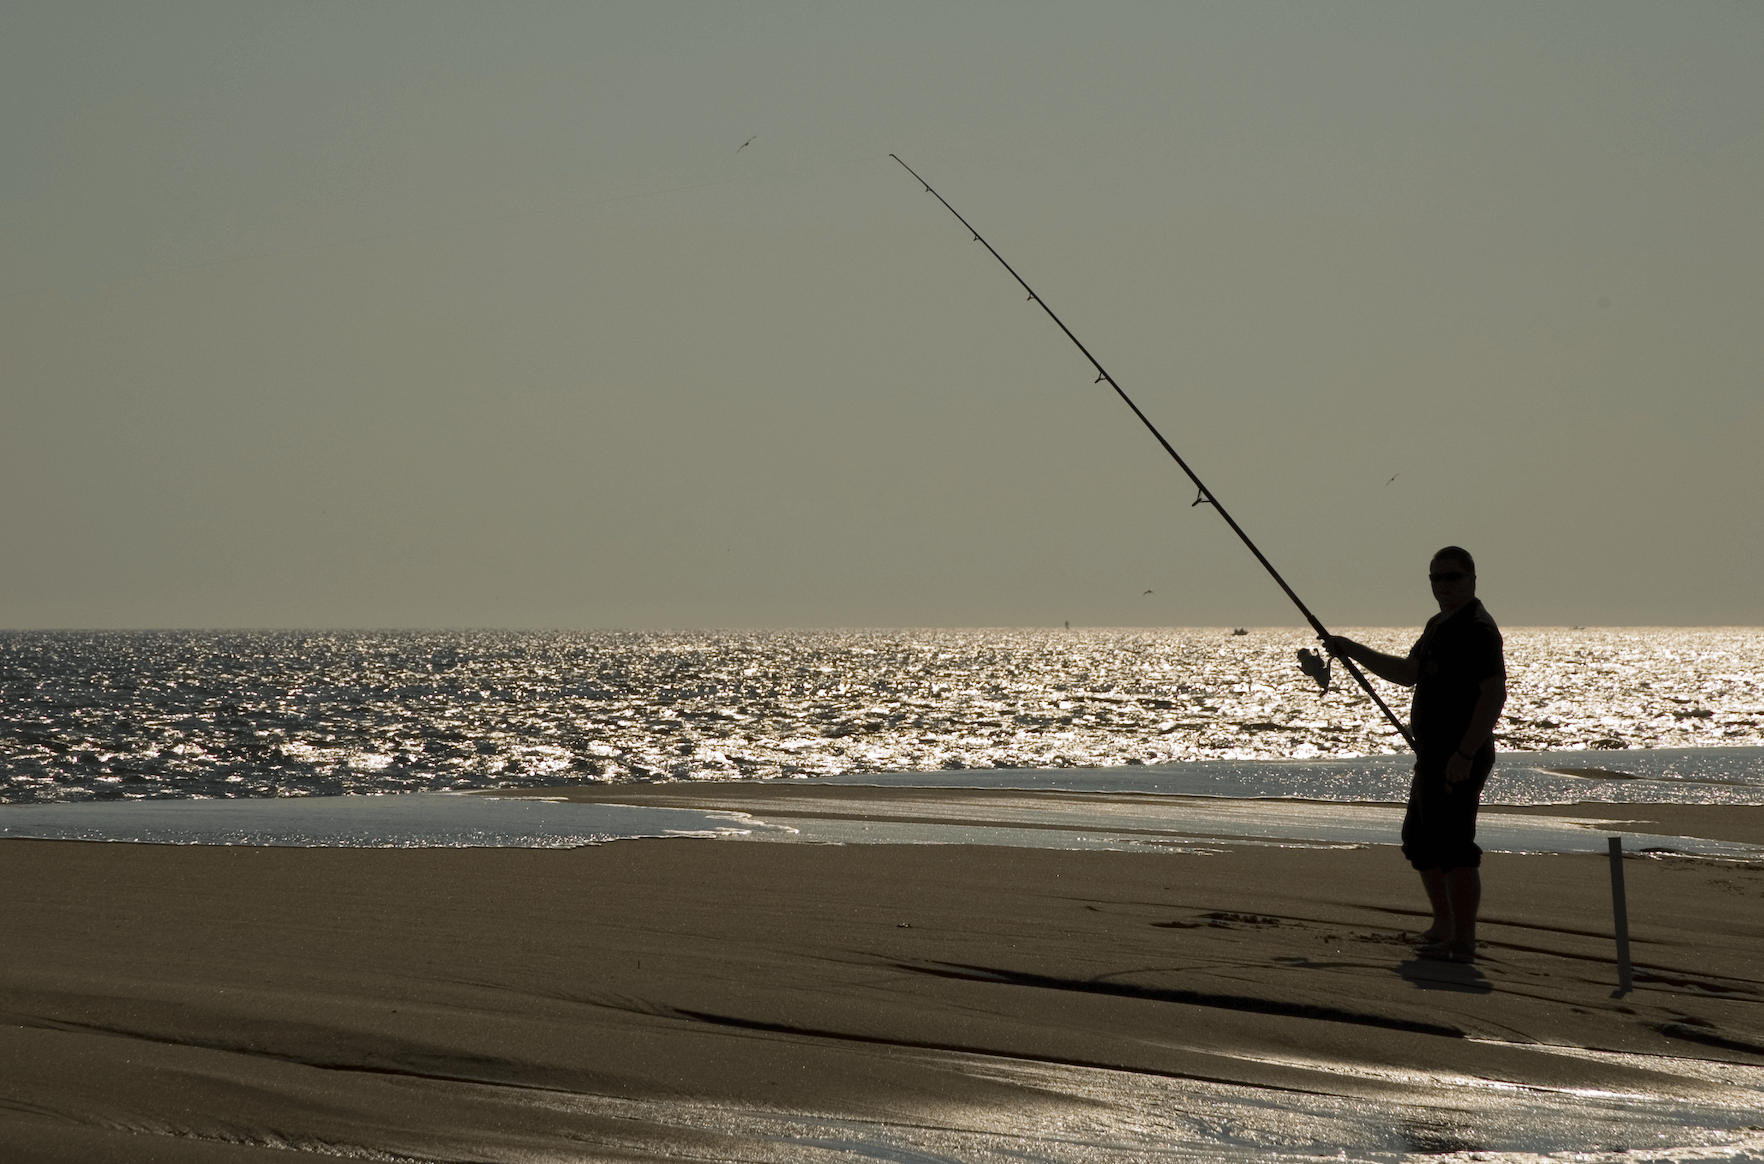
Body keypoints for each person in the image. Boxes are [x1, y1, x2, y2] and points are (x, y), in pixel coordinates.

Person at [1325, 546, 1506, 964]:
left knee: (1455, 847)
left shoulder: (1478, 628)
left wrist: (1464, 753)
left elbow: (1493, 694)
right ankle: (1444, 925)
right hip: (1431, 754)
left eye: (1453, 577)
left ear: (1472, 579)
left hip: (1459, 757)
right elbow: (1407, 674)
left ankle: (1463, 940)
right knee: (1420, 841)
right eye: (1436, 578)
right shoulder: (1438, 624)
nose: (1444, 585)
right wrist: (1351, 649)